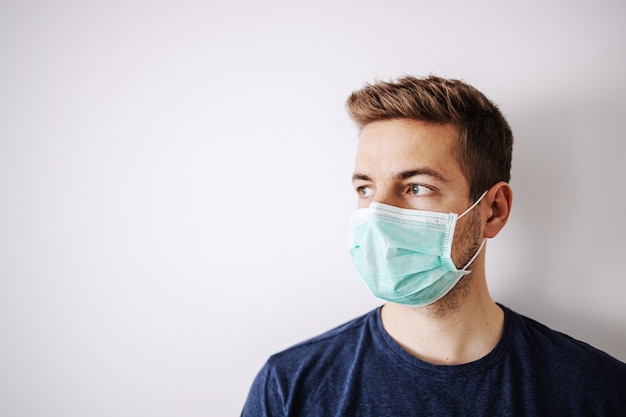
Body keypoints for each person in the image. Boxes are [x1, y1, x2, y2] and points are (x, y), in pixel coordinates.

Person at [241, 75, 626, 416]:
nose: (378, 215)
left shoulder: (597, 391)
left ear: (493, 210)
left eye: (417, 187)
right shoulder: (290, 387)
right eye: (366, 188)